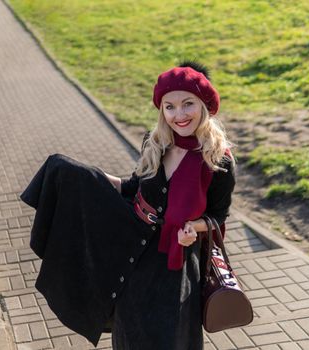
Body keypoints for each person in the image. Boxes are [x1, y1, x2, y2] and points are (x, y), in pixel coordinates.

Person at [20, 61, 236, 350]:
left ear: (204, 105)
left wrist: (192, 227)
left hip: (176, 259)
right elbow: (135, 186)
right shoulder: (156, 141)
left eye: (188, 104)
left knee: (169, 336)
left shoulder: (217, 158)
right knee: (129, 331)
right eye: (169, 107)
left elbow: (218, 214)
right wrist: (92, 177)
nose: (179, 115)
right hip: (134, 249)